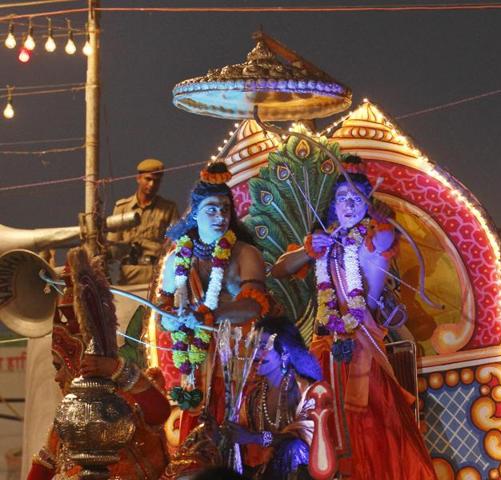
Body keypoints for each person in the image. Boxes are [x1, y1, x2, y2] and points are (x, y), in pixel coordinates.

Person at [271, 156, 436, 479]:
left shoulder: (373, 240)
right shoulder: (324, 243)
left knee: (369, 427)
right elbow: (279, 269)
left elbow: (387, 241)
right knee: (320, 422)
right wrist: (308, 249)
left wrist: (378, 218)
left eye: (357, 199)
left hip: (362, 345)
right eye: (342, 198)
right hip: (322, 346)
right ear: (332, 206)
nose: (349, 205)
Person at [157, 162, 270, 476]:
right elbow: (163, 317)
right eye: (211, 209)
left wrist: (211, 314)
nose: (221, 216)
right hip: (196, 369)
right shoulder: (176, 259)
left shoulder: (245, 254)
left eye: (225, 208)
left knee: (245, 445)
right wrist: (176, 318)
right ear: (194, 214)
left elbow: (254, 306)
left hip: (241, 363)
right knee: (195, 450)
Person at [26, 255, 171, 480]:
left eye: (60, 366)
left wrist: (114, 368)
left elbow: (159, 411)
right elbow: (44, 467)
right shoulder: (67, 421)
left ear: (79, 361)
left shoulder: (122, 406)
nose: (58, 377)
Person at [224, 316, 325, 480]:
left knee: (293, 448)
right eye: (254, 345)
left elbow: (308, 437)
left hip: (304, 472)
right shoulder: (254, 396)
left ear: (284, 351)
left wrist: (255, 438)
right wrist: (222, 433)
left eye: (264, 346)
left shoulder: (306, 388)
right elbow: (239, 431)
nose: (255, 353)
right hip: (265, 472)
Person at [107, 158, 180, 285]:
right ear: (138, 178)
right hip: (128, 274)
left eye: (156, 181)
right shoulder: (122, 208)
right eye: (148, 179)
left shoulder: (168, 209)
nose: (151, 184)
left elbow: (177, 244)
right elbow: (112, 245)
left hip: (156, 273)